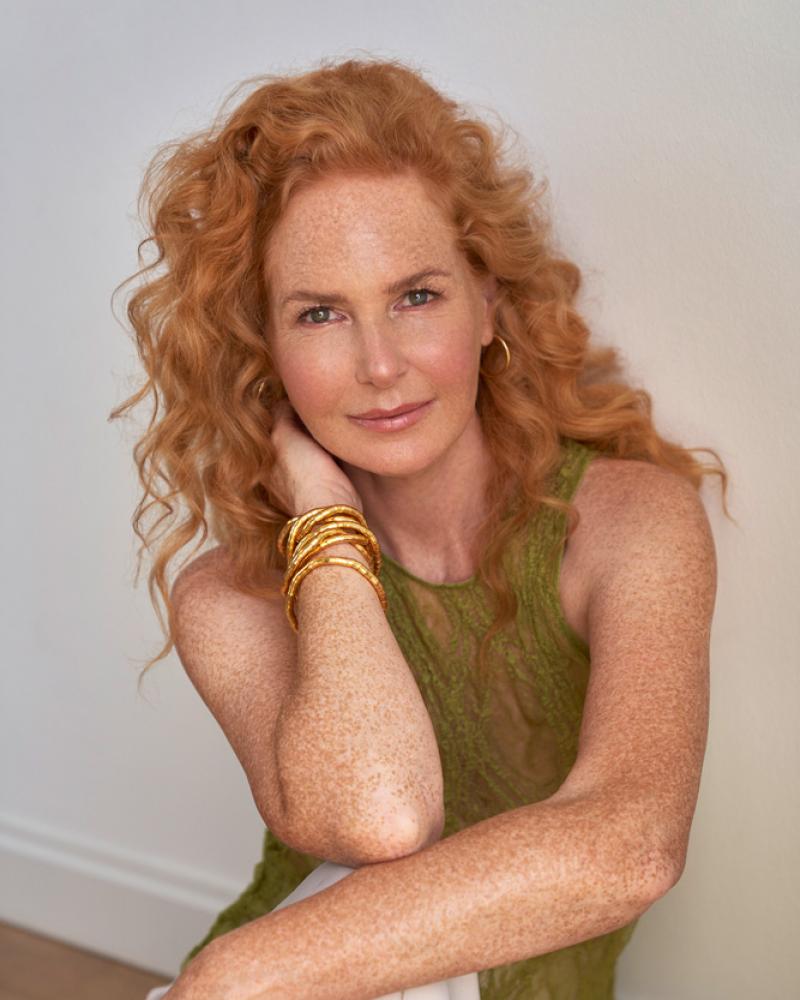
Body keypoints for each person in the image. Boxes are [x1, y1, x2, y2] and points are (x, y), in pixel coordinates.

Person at [112, 54, 730, 1000]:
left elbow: (630, 846)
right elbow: (381, 816)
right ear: (265, 350)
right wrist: (323, 515)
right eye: (320, 314)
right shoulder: (231, 597)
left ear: (487, 304)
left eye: (416, 297)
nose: (380, 365)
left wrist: (235, 977)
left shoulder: (627, 525)